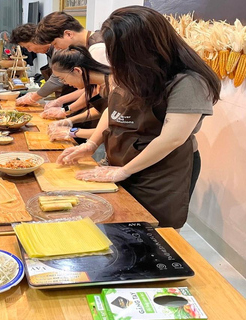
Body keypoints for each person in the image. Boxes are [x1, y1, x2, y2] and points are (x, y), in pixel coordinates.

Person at [56, 6, 221, 229]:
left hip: (162, 171)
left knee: (152, 235)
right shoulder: (130, 72)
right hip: (123, 160)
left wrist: (125, 171)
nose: (114, 61)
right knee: (118, 226)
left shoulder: (188, 82)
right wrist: (91, 144)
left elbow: (171, 139)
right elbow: (112, 111)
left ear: (142, 49)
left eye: (119, 52)